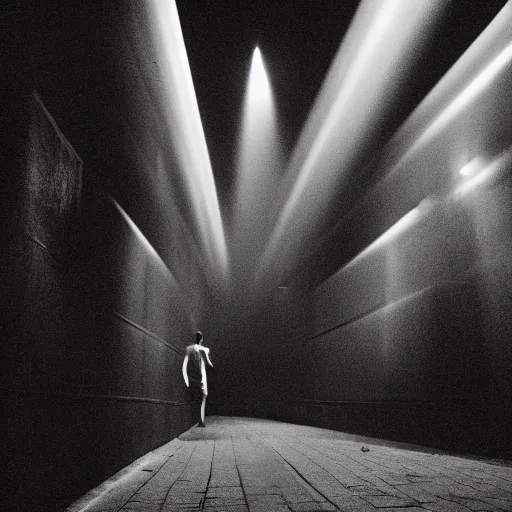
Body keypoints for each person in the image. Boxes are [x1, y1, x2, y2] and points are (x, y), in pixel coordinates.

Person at [182, 331, 213, 427]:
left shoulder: (193, 349)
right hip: (198, 377)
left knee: (201, 397)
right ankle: (200, 419)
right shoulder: (200, 349)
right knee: (202, 397)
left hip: (198, 377)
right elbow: (209, 363)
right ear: (201, 339)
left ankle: (200, 420)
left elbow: (184, 365)